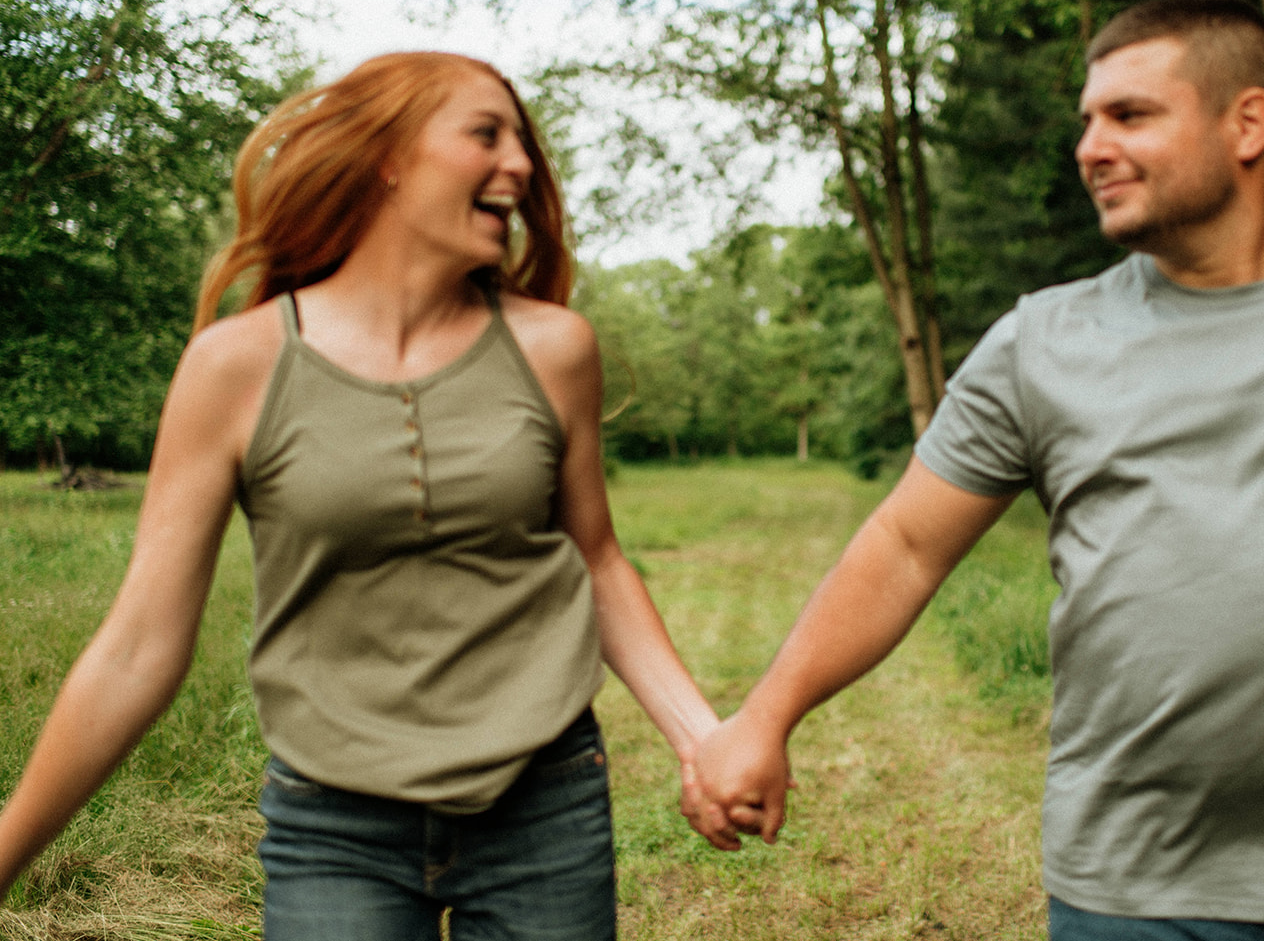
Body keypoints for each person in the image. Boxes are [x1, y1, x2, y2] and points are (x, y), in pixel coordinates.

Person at [693, 0, 1264, 940]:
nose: (1090, 146)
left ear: (1248, 122)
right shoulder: (1040, 342)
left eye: (1129, 115)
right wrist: (766, 714)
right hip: (1128, 882)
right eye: (1087, 120)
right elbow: (906, 544)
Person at [0, 51, 738, 940]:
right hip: (334, 822)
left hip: (544, 798)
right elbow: (137, 647)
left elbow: (597, 560)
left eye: (525, 145)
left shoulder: (553, 350)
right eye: (486, 134)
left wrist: (703, 739)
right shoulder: (235, 368)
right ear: (387, 156)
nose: (521, 167)